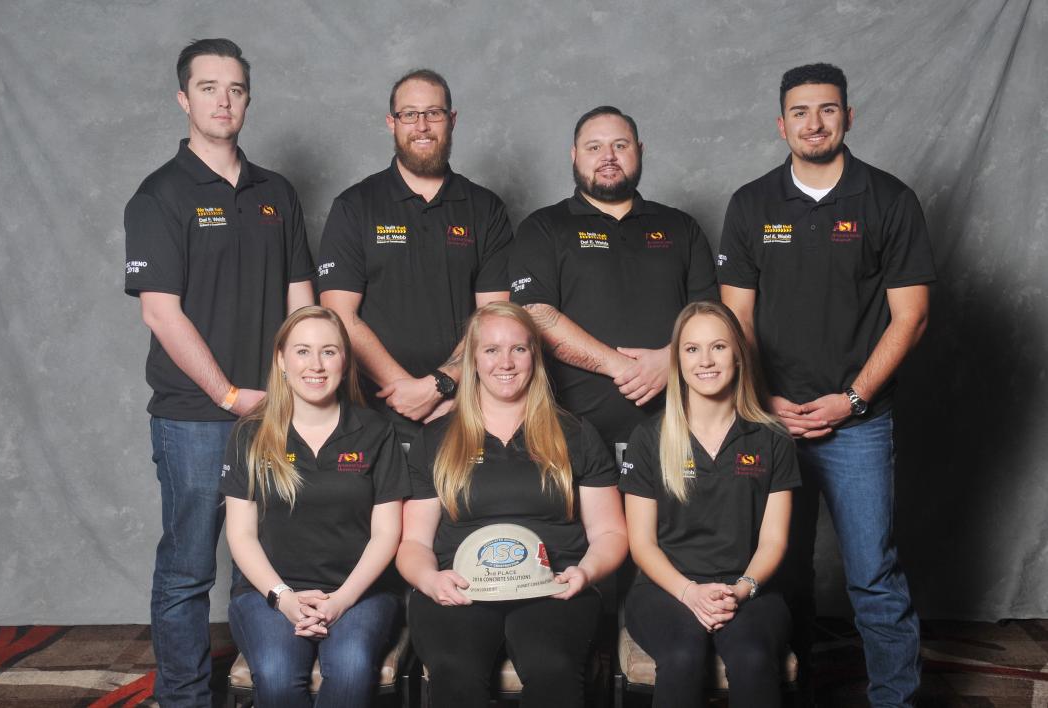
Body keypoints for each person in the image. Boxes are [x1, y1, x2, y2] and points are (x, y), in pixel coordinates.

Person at [718, 63, 935, 707]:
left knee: (872, 574)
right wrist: (765, 399)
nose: (815, 123)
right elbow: (737, 319)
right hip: (770, 423)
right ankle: (800, 690)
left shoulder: (889, 200)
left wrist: (853, 400)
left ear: (848, 115)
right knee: (780, 570)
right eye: (801, 112)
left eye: (828, 110)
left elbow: (912, 316)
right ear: (780, 123)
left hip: (858, 425)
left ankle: (895, 700)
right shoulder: (751, 204)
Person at [123, 38, 314, 705]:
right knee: (187, 570)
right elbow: (162, 315)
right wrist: (230, 393)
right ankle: (184, 698)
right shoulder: (160, 195)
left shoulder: (276, 192)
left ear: (247, 99)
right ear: (184, 98)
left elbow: (302, 303)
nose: (223, 100)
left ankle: (275, 687)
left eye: (234, 88)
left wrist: (296, 390)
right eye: (208, 88)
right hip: (196, 417)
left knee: (268, 561)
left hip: (277, 412)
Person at [397, 301, 628, 708]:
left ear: (535, 357)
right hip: (460, 588)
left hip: (553, 587)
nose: (506, 362)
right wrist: (430, 580)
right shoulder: (435, 438)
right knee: (455, 670)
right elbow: (413, 543)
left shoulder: (575, 434)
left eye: (518, 349)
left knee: (552, 667)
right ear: (472, 360)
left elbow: (610, 533)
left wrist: (586, 573)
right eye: (491, 350)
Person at [222, 306, 409, 708]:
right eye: (303, 351)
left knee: (352, 667)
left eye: (329, 351)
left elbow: (387, 533)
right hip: (267, 591)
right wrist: (283, 597)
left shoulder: (376, 431)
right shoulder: (251, 434)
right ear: (281, 360)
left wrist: (341, 599)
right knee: (275, 672)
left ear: (345, 360)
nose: (316, 365)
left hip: (361, 592)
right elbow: (240, 534)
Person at [318, 68, 513, 444]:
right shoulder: (355, 206)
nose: (421, 126)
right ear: (392, 123)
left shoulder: (485, 208)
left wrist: (442, 384)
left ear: (451, 120)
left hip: (463, 407)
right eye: (409, 114)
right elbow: (340, 314)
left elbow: (493, 317)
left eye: (433, 113)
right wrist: (405, 389)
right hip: (374, 412)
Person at [621, 301, 800, 707]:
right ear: (677, 360)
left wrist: (740, 591)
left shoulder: (772, 439)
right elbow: (642, 544)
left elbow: (773, 541)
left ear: (738, 354)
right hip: (664, 589)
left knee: (753, 658)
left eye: (718, 347)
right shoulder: (649, 438)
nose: (705, 360)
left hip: (749, 586)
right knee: (683, 656)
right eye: (691, 349)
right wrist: (689, 592)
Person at [508, 105, 717, 448]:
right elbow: (534, 315)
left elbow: (709, 317)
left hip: (677, 434)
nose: (608, 156)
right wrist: (622, 367)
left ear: (640, 151)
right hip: (572, 437)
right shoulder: (543, 227)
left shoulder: (681, 227)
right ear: (575, 155)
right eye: (594, 147)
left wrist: (672, 359)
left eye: (620, 145)